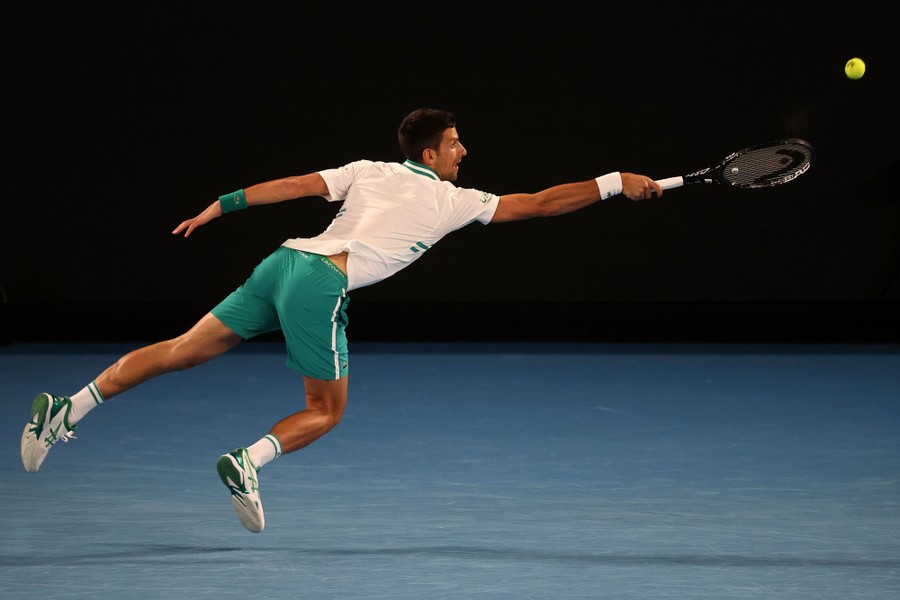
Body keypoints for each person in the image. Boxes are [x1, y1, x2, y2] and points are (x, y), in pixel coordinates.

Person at [20, 108, 663, 533]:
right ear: (431, 154)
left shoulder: (368, 170)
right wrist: (614, 181)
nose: (464, 150)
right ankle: (248, 461)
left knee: (182, 349)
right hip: (322, 281)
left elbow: (297, 185)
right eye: (455, 143)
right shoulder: (455, 199)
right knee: (326, 411)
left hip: (281, 263)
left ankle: (67, 408)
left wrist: (223, 204)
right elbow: (543, 204)